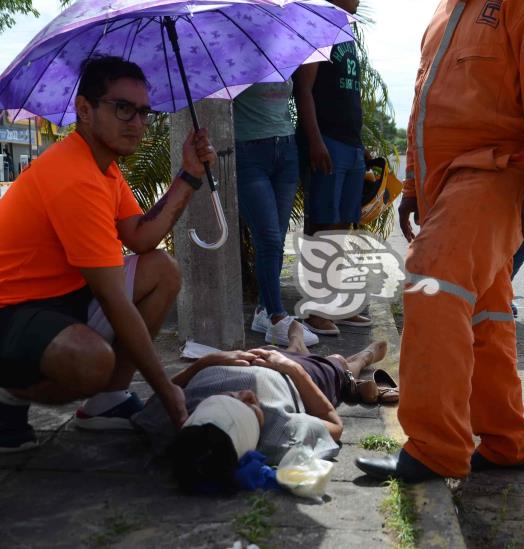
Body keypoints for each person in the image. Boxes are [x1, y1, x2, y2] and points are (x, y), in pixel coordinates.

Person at [356, 0, 524, 482]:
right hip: (450, 184)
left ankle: (435, 449)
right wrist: (416, 185)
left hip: (499, 169)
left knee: (432, 280)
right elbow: (425, 104)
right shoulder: (446, 11)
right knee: (486, 310)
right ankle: (506, 441)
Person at [0, 56, 217, 452]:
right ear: (84, 109)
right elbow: (114, 300)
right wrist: (168, 394)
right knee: (91, 361)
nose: (135, 122)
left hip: (63, 298)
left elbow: (140, 237)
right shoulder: (74, 178)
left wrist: (189, 176)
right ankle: (6, 397)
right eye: (122, 108)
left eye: (142, 112)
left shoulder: (103, 167)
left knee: (162, 271)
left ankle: (106, 403)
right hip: (12, 311)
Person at [132, 321, 388, 492]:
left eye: (229, 396)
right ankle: (360, 360)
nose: (244, 393)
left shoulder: (179, 418)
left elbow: (156, 398)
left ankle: (295, 346)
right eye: (250, 405)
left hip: (254, 357)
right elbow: (335, 425)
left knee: (274, 352)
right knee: (335, 364)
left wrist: (205, 363)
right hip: (296, 379)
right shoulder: (281, 433)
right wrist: (295, 370)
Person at [293, 0, 371, 336]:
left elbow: (348, 94)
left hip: (350, 144)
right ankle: (315, 309)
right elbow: (304, 90)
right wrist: (315, 141)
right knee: (322, 226)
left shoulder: (346, 32)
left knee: (341, 226)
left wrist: (360, 143)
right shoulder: (317, 28)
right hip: (327, 142)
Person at [233, 82, 318, 347]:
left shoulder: (282, 54)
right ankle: (276, 318)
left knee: (277, 239)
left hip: (286, 150)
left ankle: (263, 310)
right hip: (248, 152)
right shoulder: (232, 55)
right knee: (268, 237)